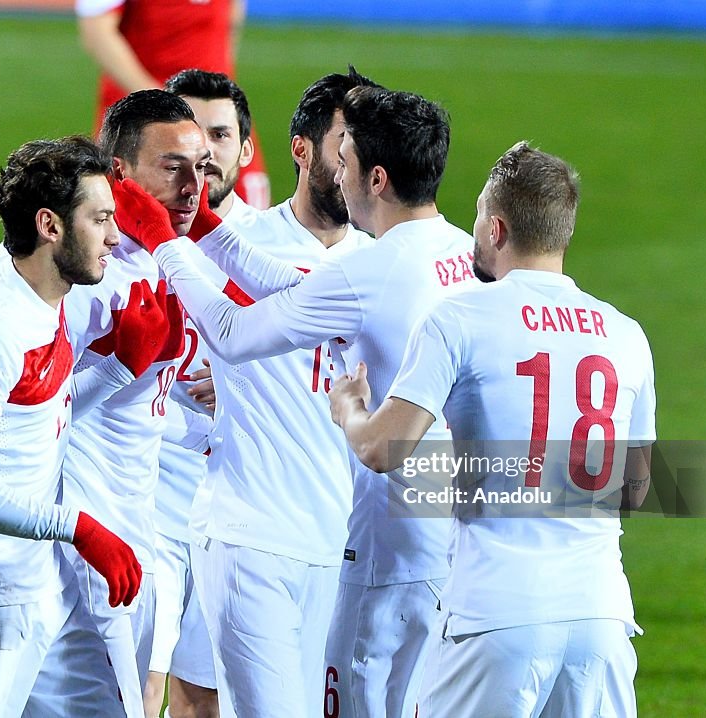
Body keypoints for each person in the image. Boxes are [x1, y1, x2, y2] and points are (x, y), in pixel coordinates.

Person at [112, 84, 478, 718]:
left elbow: (231, 332)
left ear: (377, 176)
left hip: (376, 548)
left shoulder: (377, 266)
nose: (340, 169)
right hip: (421, 544)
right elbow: (301, 289)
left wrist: (166, 242)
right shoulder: (456, 254)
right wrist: (206, 229)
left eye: (349, 157)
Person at [329, 141, 656, 717]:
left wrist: (350, 408)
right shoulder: (626, 334)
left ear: (498, 229)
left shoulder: (461, 317)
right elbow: (633, 489)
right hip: (600, 619)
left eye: (478, 217)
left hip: (495, 616)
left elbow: (381, 449)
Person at [120, 68, 378, 718]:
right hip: (221, 517)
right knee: (146, 689)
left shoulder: (381, 261)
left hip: (337, 538)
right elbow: (171, 327)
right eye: (346, 143)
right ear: (302, 148)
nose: (356, 161)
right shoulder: (237, 243)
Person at [0, 136, 169, 716]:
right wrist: (80, 528)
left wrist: (119, 368)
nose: (115, 239)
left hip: (23, 586)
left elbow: (42, 420)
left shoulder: (46, 293)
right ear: (50, 226)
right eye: (99, 220)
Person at [59, 89, 212, 718]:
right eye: (171, 167)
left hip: (139, 531)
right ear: (118, 173)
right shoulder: (84, 271)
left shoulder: (162, 259)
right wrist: (118, 364)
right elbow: (32, 412)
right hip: (81, 541)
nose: (191, 186)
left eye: (201, 167)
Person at [141, 69, 261, 718]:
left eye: (219, 135)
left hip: (234, 495)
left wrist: (251, 376)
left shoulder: (270, 248)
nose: (203, 153)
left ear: (246, 149)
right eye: (189, 136)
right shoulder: (118, 241)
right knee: (137, 673)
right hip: (144, 488)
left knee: (205, 695)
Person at [75, 0, 270, 209]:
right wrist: (164, 102)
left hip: (215, 115)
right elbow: (97, 33)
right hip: (142, 121)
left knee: (251, 219)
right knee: (130, 228)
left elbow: (231, 17)